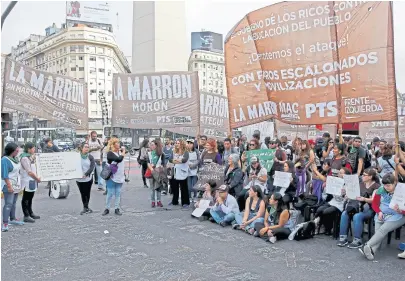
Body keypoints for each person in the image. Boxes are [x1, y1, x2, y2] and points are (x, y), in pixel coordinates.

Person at [359, 174, 405, 260]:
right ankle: (372, 251)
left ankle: (367, 245)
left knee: (382, 230)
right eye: (384, 185)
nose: (386, 187)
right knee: (378, 233)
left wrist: (400, 210)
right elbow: (375, 204)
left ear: (394, 183)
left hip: (397, 215)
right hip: (382, 214)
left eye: (388, 185)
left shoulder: (402, 191)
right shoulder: (380, 189)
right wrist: (379, 212)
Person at [337, 168, 380, 248]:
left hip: (370, 209)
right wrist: (347, 195)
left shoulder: (376, 187)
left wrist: (364, 199)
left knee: (357, 216)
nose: (362, 176)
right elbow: (354, 195)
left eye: (364, 175)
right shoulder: (360, 184)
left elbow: (374, 200)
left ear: (370, 177)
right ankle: (343, 237)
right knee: (344, 213)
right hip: (357, 206)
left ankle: (358, 240)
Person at [2, 143, 24, 231]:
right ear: (12, 151)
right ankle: (5, 223)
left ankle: (13, 218)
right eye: (16, 150)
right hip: (8, 184)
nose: (18, 151)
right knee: (8, 204)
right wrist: (9, 186)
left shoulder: (15, 159)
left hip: (16, 183)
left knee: (14, 203)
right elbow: (4, 175)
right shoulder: (4, 160)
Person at [102, 138, 125, 216]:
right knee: (110, 193)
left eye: (119, 143)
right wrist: (123, 152)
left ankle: (116, 208)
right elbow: (119, 160)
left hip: (119, 176)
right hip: (111, 176)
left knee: (118, 192)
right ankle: (107, 208)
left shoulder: (119, 152)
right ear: (113, 145)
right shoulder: (110, 153)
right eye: (117, 143)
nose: (119, 144)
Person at [20, 142, 41, 223]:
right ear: (28, 149)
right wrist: (36, 178)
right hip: (27, 181)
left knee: (30, 197)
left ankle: (31, 213)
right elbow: (29, 172)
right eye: (33, 148)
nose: (34, 149)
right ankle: (26, 215)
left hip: (32, 180)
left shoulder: (30, 157)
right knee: (26, 198)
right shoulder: (24, 158)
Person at [75, 142, 96, 215]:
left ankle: (86, 207)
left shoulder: (90, 157)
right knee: (82, 193)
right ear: (82, 148)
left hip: (88, 178)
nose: (87, 148)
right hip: (79, 179)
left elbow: (92, 166)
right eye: (85, 147)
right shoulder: (76, 156)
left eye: (88, 147)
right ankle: (85, 207)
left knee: (87, 193)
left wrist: (86, 174)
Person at [170, 139, 190, 208]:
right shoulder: (174, 151)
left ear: (182, 144)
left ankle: (185, 202)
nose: (177, 144)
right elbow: (170, 159)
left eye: (178, 143)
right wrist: (177, 161)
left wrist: (176, 160)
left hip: (183, 172)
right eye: (176, 143)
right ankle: (174, 201)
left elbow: (184, 160)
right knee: (174, 187)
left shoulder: (186, 152)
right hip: (175, 172)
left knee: (183, 188)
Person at [147, 139, 166, 208]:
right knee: (152, 188)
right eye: (150, 145)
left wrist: (161, 167)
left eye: (152, 145)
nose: (150, 146)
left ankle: (159, 201)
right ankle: (152, 201)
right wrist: (152, 169)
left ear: (156, 145)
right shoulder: (149, 153)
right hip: (151, 172)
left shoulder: (161, 154)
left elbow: (164, 164)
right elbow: (148, 162)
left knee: (158, 188)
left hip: (158, 173)